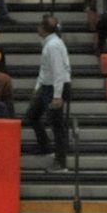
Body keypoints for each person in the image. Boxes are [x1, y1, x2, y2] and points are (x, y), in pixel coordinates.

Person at [26, 14, 71, 172]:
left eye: (39, 25)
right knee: (32, 115)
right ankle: (45, 146)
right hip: (47, 86)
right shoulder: (50, 43)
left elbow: (58, 71)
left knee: (57, 125)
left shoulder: (52, 46)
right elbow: (45, 69)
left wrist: (57, 96)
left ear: (44, 29)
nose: (37, 28)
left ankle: (60, 162)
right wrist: (38, 87)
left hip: (54, 88)